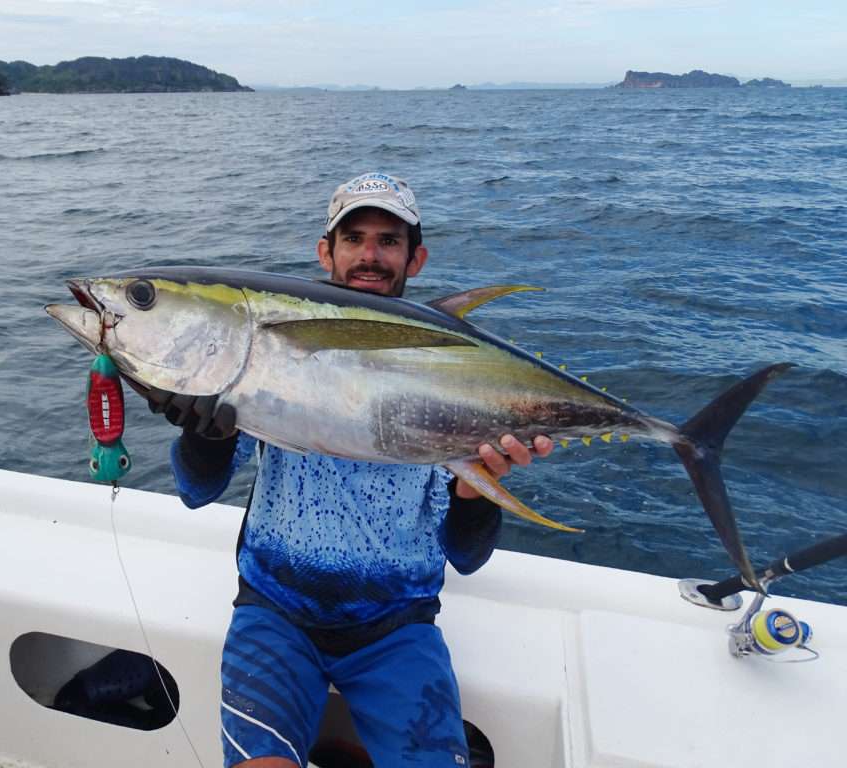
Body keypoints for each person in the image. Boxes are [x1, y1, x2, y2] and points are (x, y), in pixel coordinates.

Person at [153, 172, 552, 768]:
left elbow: (467, 556)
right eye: (354, 238)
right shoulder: (275, 346)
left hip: (397, 628)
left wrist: (481, 486)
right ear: (326, 251)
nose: (370, 255)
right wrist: (203, 432)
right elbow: (197, 489)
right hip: (274, 611)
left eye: (388, 241)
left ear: (415, 259)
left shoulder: (449, 370)